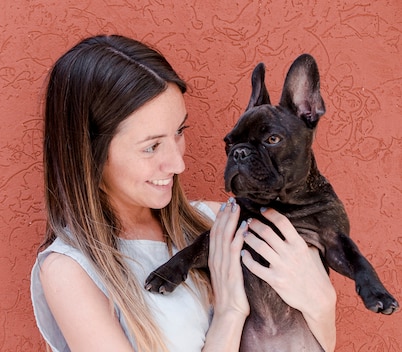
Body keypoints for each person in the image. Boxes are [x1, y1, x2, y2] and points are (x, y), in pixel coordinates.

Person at [30, 34, 336, 352]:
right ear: (89, 153)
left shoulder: (221, 221)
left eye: (179, 132)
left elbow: (309, 342)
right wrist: (230, 313)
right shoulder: (71, 271)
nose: (178, 164)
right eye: (151, 147)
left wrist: (323, 305)